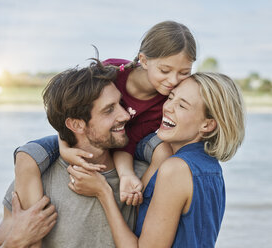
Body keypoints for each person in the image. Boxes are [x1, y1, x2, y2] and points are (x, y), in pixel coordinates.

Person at [13, 20, 197, 219]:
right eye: (165, 71)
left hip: (125, 139)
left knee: (162, 151)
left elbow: (130, 140)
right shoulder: (112, 72)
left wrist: (126, 174)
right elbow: (72, 107)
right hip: (91, 132)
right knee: (28, 155)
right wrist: (64, 147)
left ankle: (141, 210)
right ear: (143, 60)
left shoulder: (165, 102)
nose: (173, 81)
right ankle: (29, 223)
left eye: (184, 73)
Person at [67, 72, 246, 247]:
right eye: (171, 97)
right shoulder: (211, 168)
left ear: (207, 124)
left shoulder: (176, 169)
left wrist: (102, 192)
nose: (168, 107)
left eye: (182, 106)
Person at [0, 59, 151, 247]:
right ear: (76, 125)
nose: (125, 115)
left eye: (120, 103)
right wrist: (15, 242)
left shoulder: (140, 178)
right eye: (109, 110)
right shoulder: (36, 179)